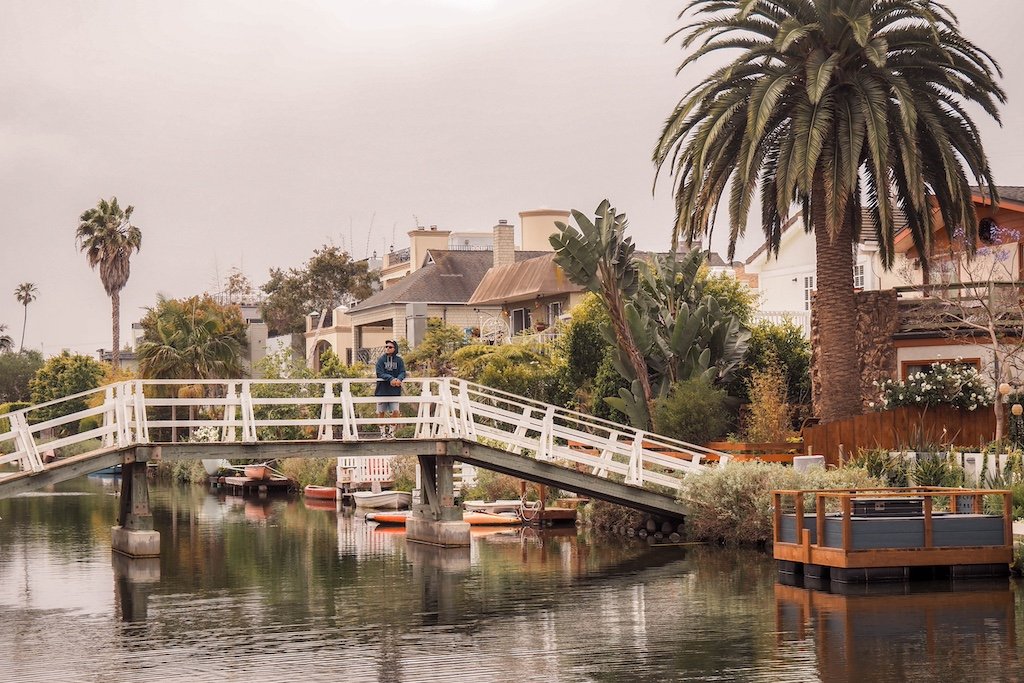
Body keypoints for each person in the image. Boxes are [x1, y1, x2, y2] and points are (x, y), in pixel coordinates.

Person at [375, 340, 406, 439]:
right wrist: (391, 379)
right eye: (386, 347)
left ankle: (391, 432)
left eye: (390, 347)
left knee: (395, 411)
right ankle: (382, 433)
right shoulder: (381, 360)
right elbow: (379, 373)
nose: (387, 348)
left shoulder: (399, 360)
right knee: (381, 412)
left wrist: (399, 379)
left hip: (394, 391)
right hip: (382, 390)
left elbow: (403, 372)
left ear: (395, 349)